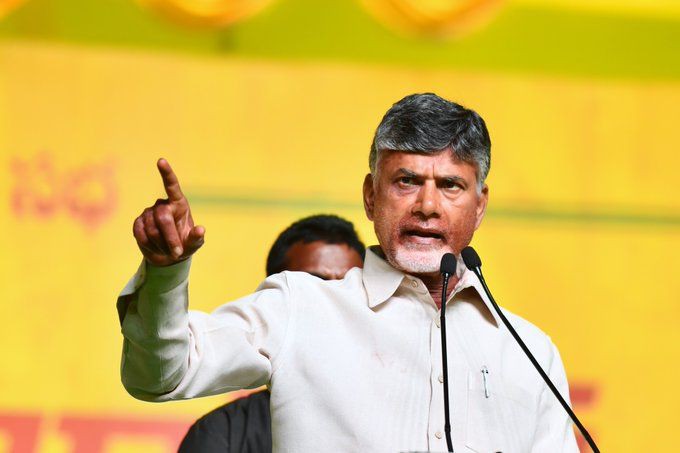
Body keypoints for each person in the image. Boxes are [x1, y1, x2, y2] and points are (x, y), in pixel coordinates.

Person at [118, 93, 578, 452]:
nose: (427, 205)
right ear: (370, 196)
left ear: (479, 207)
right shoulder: (300, 307)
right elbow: (161, 376)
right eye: (406, 181)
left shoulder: (531, 352)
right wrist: (165, 273)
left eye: (450, 185)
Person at [178, 214, 365, 452]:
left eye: (348, 288)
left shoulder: (403, 414)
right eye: (313, 287)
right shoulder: (224, 433)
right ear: (272, 299)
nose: (333, 303)